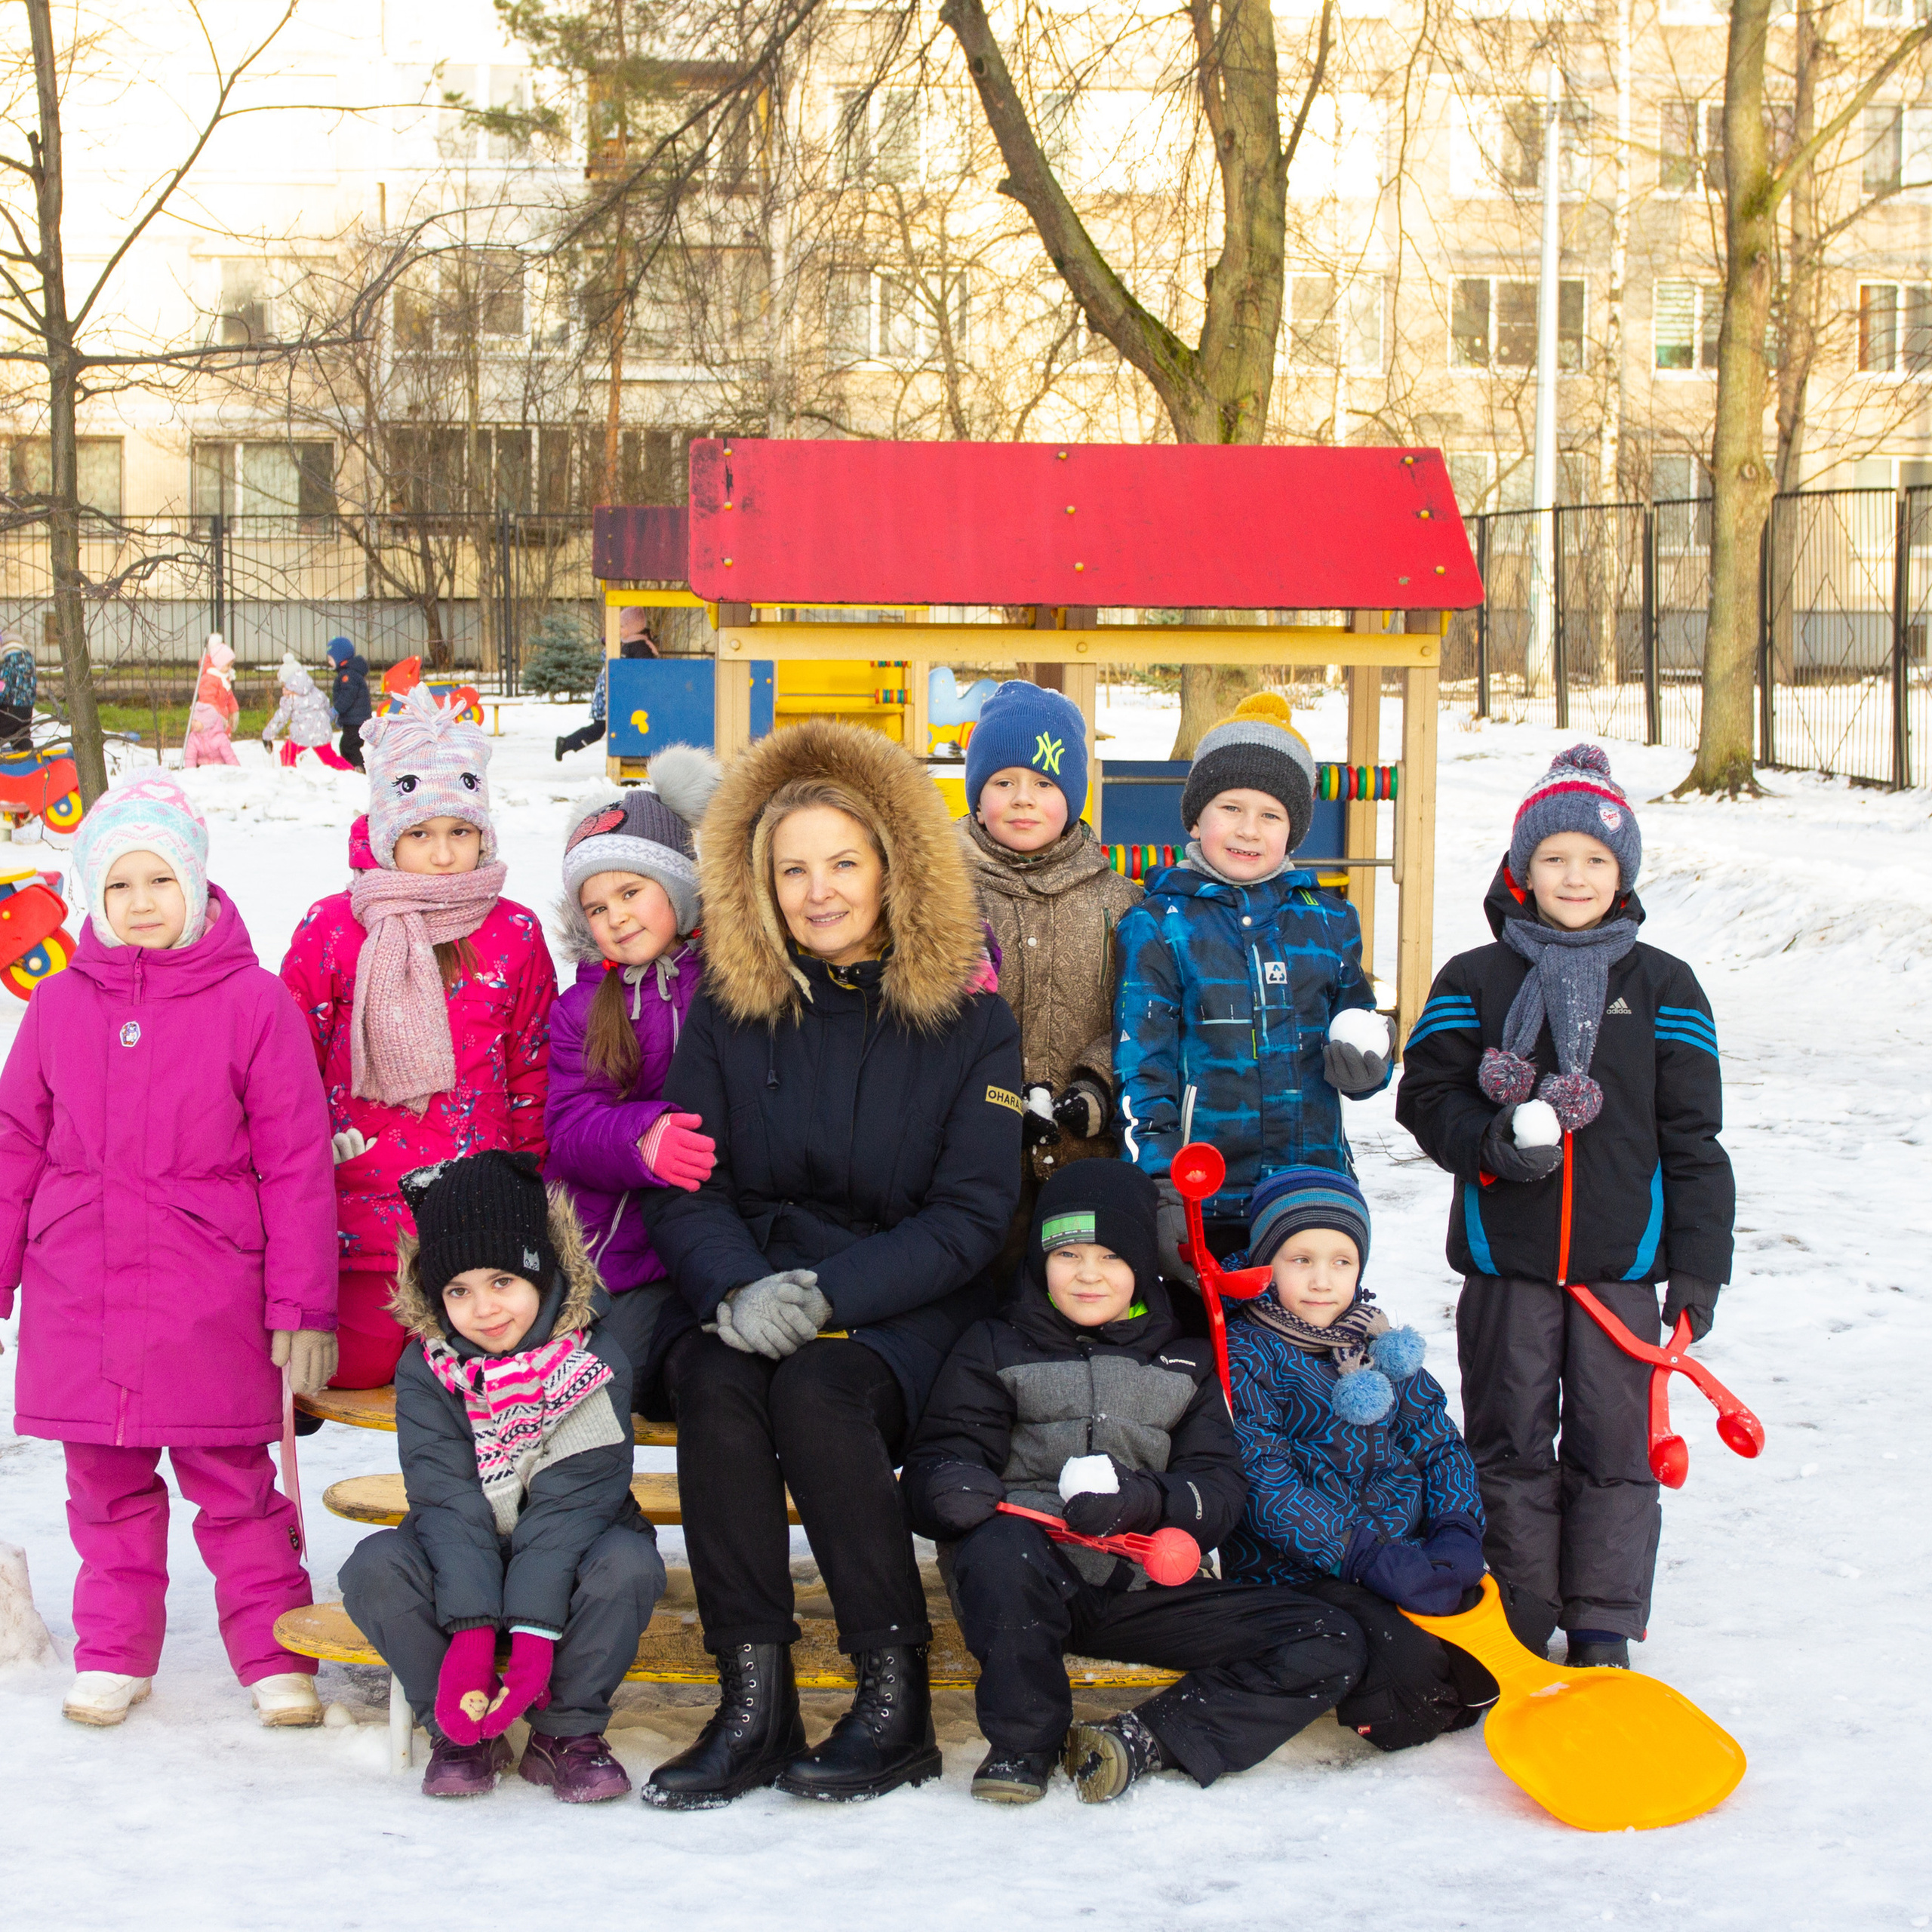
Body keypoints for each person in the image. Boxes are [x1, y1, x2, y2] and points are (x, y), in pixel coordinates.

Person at [638, 718, 1021, 1809]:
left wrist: (832, 1299)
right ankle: (750, 1698)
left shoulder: (968, 1022)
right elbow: (692, 1183)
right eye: (792, 869)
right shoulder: (729, 1007)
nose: (818, 892)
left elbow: (972, 1214)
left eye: (843, 864)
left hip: (910, 1295)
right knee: (714, 1380)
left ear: (894, 864)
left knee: (820, 1390)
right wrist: (732, 1288)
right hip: (756, 1282)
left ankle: (891, 1694)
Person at [0, 774, 338, 1729]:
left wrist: (300, 1307)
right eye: (119, 886)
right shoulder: (62, 1004)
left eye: (159, 881)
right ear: (93, 901)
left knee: (236, 1485)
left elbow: (297, 1162)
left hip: (211, 1287)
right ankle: (114, 1650)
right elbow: (14, 1140)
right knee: (103, 1487)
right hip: (82, 1287)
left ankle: (276, 1652)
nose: (141, 903)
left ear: (195, 886)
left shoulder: (252, 1001)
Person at [1395, 743, 1735, 1669]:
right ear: (1522, 868)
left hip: (1621, 1274)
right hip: (1507, 1265)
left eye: (1594, 859)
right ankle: (1518, 1610)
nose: (1574, 876)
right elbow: (1425, 1096)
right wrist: (1488, 1144)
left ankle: (1600, 1622)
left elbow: (1694, 1139)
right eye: (1554, 858)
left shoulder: (1663, 986)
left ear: (1621, 872)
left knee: (1613, 1446)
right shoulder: (1474, 978)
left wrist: (1698, 1267)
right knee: (1505, 1441)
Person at [903, 1161, 1368, 1805]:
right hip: (1029, 1581)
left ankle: (1146, 1738)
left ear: (1143, 1267)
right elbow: (941, 1456)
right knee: (998, 1550)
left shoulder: (1186, 1356)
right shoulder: (993, 1344)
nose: (1088, 1273)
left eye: (1111, 1256)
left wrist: (1143, 1502)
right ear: (1042, 1261)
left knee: (1330, 1637)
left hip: (1144, 1586)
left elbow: (1219, 1488)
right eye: (1068, 1254)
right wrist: (947, 1487)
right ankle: (1024, 1742)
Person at [340, 1152, 666, 1801]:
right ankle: (460, 1727)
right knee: (374, 1566)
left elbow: (571, 1507)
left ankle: (565, 1732)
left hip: (572, 1546)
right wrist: (470, 1632)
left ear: (542, 1276)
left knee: (627, 1566)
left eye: (501, 1282)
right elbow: (447, 1500)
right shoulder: (427, 1371)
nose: (483, 1310)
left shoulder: (593, 1360)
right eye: (458, 1292)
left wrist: (535, 1631)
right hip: (464, 1546)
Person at [281, 686, 556, 1391]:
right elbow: (289, 1065)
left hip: (475, 1214)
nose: (442, 856)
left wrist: (526, 1192)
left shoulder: (514, 932)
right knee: (361, 1368)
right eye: (421, 834)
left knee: (483, 1388)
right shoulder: (334, 927)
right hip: (359, 1207)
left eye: (459, 833)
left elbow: (533, 1068)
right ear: (385, 834)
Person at [1222, 1167, 1499, 1749]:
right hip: (1309, 1567)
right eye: (1301, 1260)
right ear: (1265, 1263)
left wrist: (1454, 1531)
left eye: (1341, 1262)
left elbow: (1438, 1442)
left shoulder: (1383, 1346)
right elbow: (1267, 1486)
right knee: (1408, 1672)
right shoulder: (1249, 1354)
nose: (1323, 1280)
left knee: (1510, 1620)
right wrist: (1363, 1556)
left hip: (1406, 1549)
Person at [1114, 693, 1389, 1275]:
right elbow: (1144, 1061)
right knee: (1212, 1347)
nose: (1248, 830)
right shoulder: (1160, 924)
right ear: (1195, 817)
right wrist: (1160, 1178)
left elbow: (1357, 1023)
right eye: (1230, 808)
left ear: (1294, 832)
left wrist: (1370, 1062)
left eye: (1271, 815)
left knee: (1302, 1338)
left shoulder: (1330, 921)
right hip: (1204, 1189)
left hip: (1310, 1189)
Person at [545, 748, 721, 1403]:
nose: (616, 917)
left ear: (678, 888)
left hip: (696, 1243)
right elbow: (569, 1125)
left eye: (631, 892)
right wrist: (642, 1136)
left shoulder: (728, 982)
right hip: (602, 1246)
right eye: (596, 908)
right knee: (584, 1380)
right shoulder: (584, 1008)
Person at [956, 679, 1140, 1264]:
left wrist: (1100, 1083)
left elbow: (1145, 1013)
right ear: (976, 795)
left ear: (1074, 795)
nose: (1022, 798)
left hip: (1089, 1159)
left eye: (1044, 782)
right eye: (1002, 782)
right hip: (971, 1163)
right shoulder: (940, 893)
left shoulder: (1121, 904)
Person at [555, 611, 660, 762]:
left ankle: (566, 744)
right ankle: (566, 744)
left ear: (634, 627)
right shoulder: (629, 644)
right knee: (599, 729)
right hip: (609, 697)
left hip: (611, 696)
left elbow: (642, 670)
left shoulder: (634, 645)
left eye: (622, 626)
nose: (619, 630)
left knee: (601, 729)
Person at [262, 653, 353, 771]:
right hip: (322, 733)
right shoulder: (316, 692)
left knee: (287, 753)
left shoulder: (290, 699)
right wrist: (330, 720)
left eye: (284, 686)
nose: (283, 690)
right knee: (330, 758)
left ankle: (290, 776)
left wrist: (267, 736)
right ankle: (351, 770)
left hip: (301, 736)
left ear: (290, 684)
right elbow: (326, 706)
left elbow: (280, 718)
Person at [327, 636, 371, 772]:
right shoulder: (348, 673)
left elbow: (347, 697)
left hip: (356, 721)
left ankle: (358, 768)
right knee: (347, 745)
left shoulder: (348, 675)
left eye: (330, 658)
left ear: (340, 657)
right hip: (354, 720)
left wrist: (336, 711)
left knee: (349, 746)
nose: (329, 662)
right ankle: (351, 769)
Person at [0, 634, 37, 750]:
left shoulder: (7, 665)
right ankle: (27, 755)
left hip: (10, 709)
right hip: (27, 709)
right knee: (22, 735)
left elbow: (2, 688)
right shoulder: (29, 664)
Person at [182, 699, 240, 769]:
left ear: (207, 723)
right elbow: (190, 756)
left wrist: (237, 770)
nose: (193, 723)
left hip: (219, 767)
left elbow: (229, 756)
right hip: (201, 768)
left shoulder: (220, 738)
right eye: (193, 720)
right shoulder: (193, 737)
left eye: (196, 721)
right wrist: (190, 771)